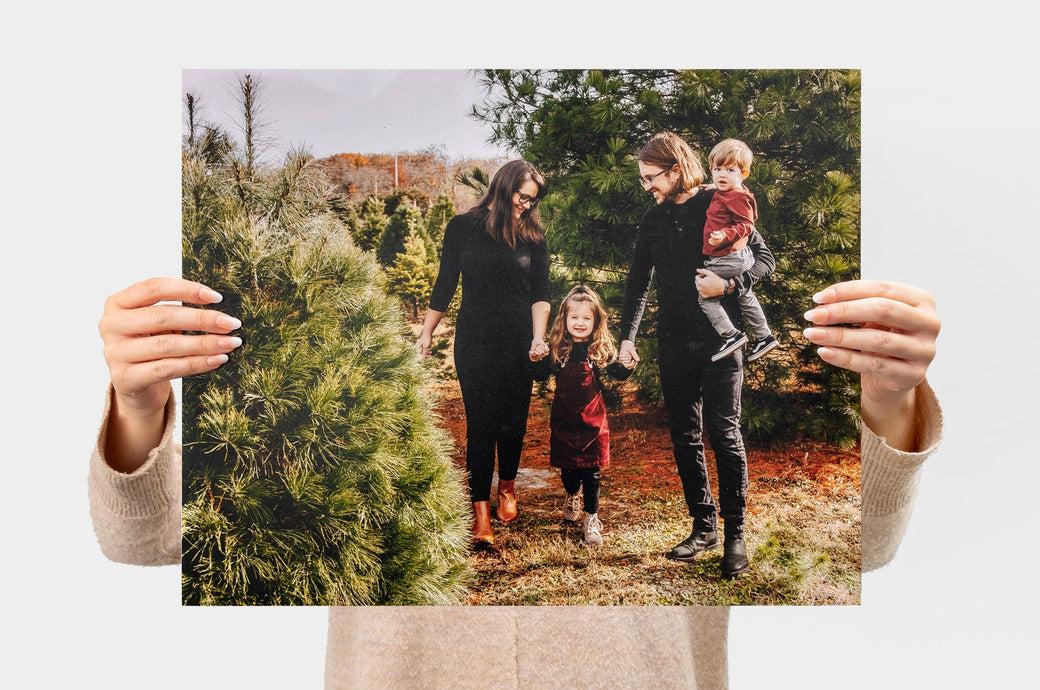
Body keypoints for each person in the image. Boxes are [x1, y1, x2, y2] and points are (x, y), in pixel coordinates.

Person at [91, 275, 941, 688]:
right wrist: (138, 402)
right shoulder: (364, 417)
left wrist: (893, 401)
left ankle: (589, 512)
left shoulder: (655, 307)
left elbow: (868, 543)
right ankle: (563, 505)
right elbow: (137, 539)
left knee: (594, 469)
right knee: (563, 465)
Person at [618, 131, 774, 577]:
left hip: (720, 343)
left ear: (675, 168)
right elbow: (637, 283)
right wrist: (628, 337)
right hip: (672, 342)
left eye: (652, 177)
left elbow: (764, 260)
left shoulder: (719, 201)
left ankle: (735, 535)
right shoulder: (651, 220)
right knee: (685, 437)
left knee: (724, 435)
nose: (647, 185)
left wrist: (728, 285)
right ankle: (703, 527)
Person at [415, 160, 551, 547]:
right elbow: (445, 283)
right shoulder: (462, 227)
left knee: (513, 421)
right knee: (480, 423)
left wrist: (538, 339)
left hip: (519, 340)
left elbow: (541, 293)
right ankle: (480, 510)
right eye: (522, 195)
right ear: (503, 185)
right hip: (474, 339)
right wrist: (427, 333)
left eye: (532, 200)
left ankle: (507, 486)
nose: (526, 204)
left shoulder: (533, 236)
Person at [529, 285, 635, 546]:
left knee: (592, 471)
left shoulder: (599, 351)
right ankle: (571, 494)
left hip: (593, 422)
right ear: (564, 320)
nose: (580, 323)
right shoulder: (558, 350)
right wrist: (535, 359)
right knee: (569, 473)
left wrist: (628, 366)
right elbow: (541, 375)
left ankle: (591, 519)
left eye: (587, 318)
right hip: (565, 420)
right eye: (574, 317)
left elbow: (617, 374)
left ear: (596, 321)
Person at [699, 138, 779, 363]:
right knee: (745, 295)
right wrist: (716, 185)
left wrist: (725, 234)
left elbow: (746, 225)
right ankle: (765, 336)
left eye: (729, 170)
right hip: (739, 258)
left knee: (705, 297)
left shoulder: (738, 196)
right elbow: (729, 189)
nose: (721, 175)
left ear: (744, 173)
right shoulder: (730, 190)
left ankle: (730, 335)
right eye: (717, 169)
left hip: (728, 256)